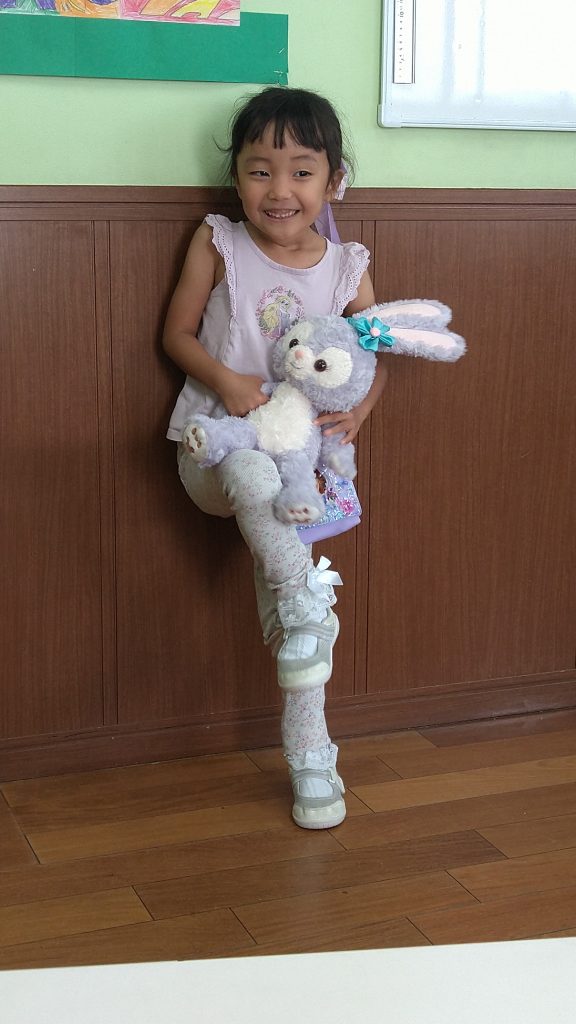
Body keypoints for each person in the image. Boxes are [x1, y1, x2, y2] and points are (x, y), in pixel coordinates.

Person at [162, 86, 387, 830]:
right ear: (237, 178)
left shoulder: (347, 266)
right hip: (212, 449)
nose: (279, 189)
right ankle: (304, 605)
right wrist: (229, 384)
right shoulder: (218, 243)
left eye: (301, 171)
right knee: (266, 510)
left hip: (297, 467)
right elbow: (176, 334)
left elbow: (373, 356)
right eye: (260, 171)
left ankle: (313, 758)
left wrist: (360, 411)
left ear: (333, 181)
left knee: (300, 633)